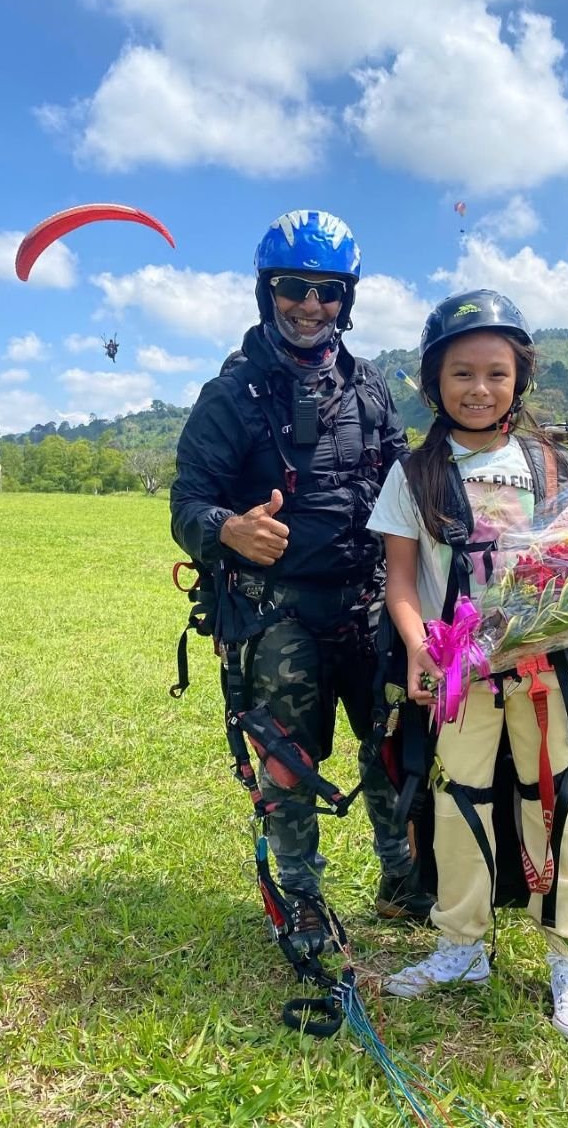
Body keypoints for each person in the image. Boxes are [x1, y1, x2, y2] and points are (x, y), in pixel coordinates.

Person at [170, 209, 433, 950]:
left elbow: (407, 488)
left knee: (392, 745)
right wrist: (228, 528)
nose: (311, 305)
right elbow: (186, 500)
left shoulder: (371, 388)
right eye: (294, 287)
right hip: (276, 613)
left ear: (348, 297)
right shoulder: (232, 396)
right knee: (287, 761)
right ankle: (305, 897)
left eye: (329, 291)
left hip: (370, 604)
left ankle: (400, 876)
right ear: (268, 291)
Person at [366, 289, 568, 1042]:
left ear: (519, 379)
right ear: (434, 382)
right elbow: (401, 579)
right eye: (461, 373)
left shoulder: (547, 461)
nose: (479, 389)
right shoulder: (415, 472)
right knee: (458, 799)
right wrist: (415, 644)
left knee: (560, 798)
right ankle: (460, 945)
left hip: (542, 669)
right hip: (457, 674)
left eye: (496, 374)